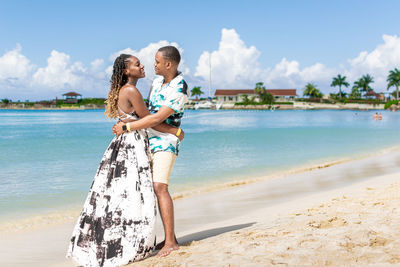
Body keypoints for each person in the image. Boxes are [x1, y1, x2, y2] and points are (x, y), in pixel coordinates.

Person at [66, 54, 182, 266]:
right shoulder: (131, 90)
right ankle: (137, 242)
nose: (143, 66)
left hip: (123, 142)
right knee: (134, 193)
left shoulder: (124, 90)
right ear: (127, 71)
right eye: (137, 64)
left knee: (121, 194)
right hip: (133, 143)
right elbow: (150, 121)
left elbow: (141, 119)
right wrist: (175, 130)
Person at [113, 46, 188, 257]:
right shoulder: (156, 82)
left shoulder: (179, 87)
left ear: (168, 64)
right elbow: (144, 111)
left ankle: (171, 242)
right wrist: (126, 117)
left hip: (166, 142)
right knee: (147, 189)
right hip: (147, 140)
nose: (153, 65)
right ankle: (157, 238)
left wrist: (127, 127)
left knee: (160, 187)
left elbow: (155, 118)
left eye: (156, 62)